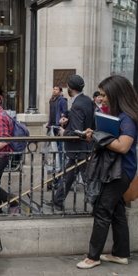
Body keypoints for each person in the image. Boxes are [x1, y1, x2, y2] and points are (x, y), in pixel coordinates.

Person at [76, 75, 138, 269]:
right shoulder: (120, 115)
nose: (101, 99)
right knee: (117, 211)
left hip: (120, 173)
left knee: (102, 209)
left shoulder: (127, 118)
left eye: (104, 95)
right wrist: (95, 136)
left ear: (115, 94)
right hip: (116, 171)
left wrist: (96, 135)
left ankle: (93, 257)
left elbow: (122, 146)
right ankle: (120, 254)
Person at [45, 75, 95, 211]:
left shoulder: (78, 105)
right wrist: (67, 118)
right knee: (69, 175)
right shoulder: (87, 100)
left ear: (70, 88)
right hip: (83, 149)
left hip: (80, 149)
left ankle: (99, 205)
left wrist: (64, 133)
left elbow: (78, 131)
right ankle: (57, 201)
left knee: (88, 180)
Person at [46, 85, 68, 174]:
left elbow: (65, 112)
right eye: (54, 89)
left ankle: (61, 168)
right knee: (52, 148)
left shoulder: (62, 100)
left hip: (59, 126)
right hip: (52, 126)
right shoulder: (51, 100)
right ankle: (54, 165)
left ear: (60, 91)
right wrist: (49, 122)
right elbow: (51, 112)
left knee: (60, 147)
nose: (54, 91)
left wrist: (63, 119)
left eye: (56, 89)